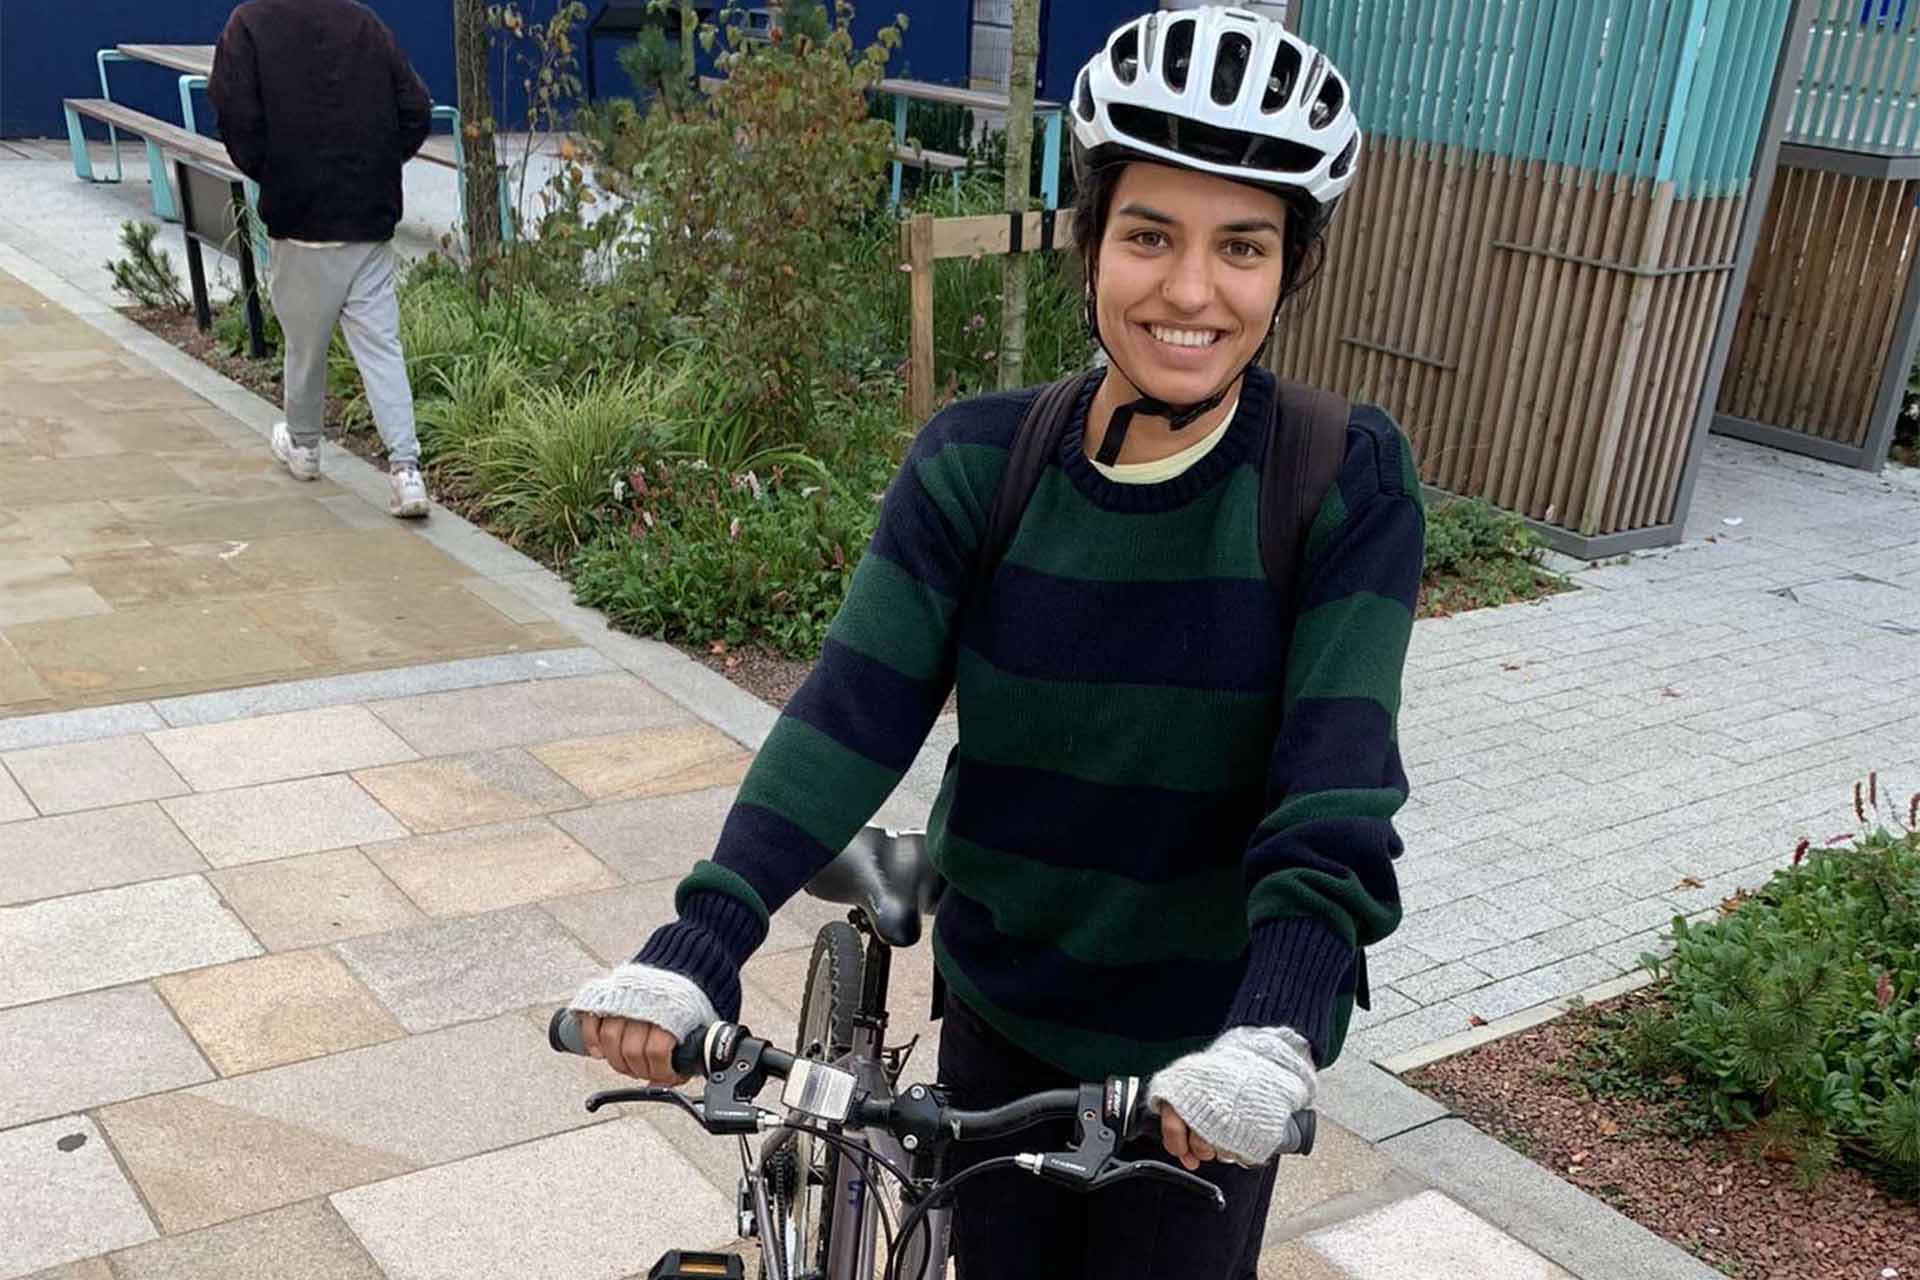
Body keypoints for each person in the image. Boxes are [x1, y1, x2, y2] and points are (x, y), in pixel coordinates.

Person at [571, 8, 1423, 1276]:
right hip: (1002, 1010)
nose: (1190, 290)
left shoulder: (1337, 477)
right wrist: (705, 933)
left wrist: (1278, 1031)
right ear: (1092, 243)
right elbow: (852, 710)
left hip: (1203, 1056)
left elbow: (1336, 789)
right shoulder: (981, 458)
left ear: (1291, 268)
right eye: (1150, 235)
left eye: (1241, 245)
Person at [209, 0, 433, 518]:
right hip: (366, 216)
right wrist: (375, 163)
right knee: (381, 346)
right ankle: (406, 471)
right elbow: (415, 109)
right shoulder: (361, 20)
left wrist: (275, 169)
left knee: (304, 347)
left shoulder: (250, 22)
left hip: (300, 216)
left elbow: (235, 112)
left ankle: (305, 446)